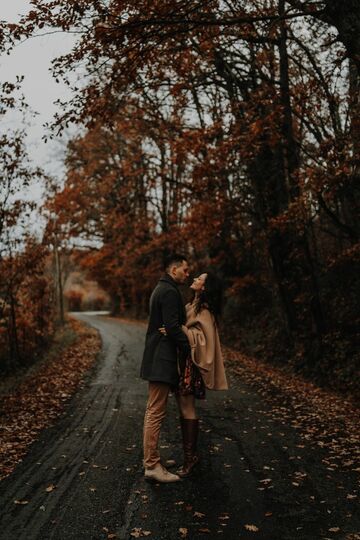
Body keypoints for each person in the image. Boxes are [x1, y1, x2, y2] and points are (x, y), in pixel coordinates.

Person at [159, 271, 228, 478]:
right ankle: (189, 455)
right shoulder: (193, 305)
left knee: (187, 408)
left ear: (204, 287)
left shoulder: (205, 311)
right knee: (182, 408)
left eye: (200, 279)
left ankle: (191, 458)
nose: (196, 278)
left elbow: (202, 339)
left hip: (191, 364)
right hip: (183, 362)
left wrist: (178, 329)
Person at [140, 253, 191, 483]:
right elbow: (171, 327)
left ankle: (153, 458)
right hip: (162, 358)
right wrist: (192, 347)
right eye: (185, 270)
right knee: (155, 411)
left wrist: (173, 329)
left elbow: (170, 327)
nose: (187, 274)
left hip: (160, 356)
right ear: (174, 270)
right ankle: (151, 465)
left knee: (155, 410)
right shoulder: (169, 292)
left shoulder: (162, 288)